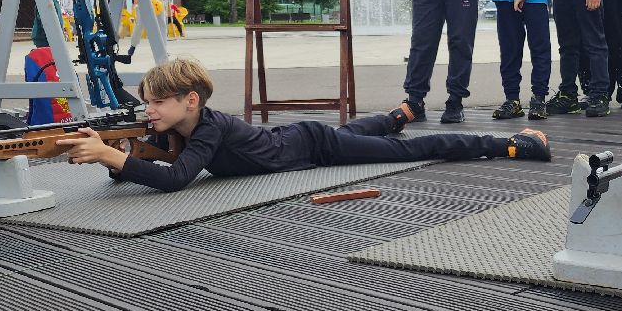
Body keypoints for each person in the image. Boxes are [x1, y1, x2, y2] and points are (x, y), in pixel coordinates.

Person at [56, 56, 551, 192]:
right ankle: (396, 114)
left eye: (158, 104)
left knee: (408, 151)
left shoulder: (207, 126)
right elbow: (141, 167)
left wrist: (112, 155)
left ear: (191, 100)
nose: (151, 113)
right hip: (297, 137)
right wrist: (114, 158)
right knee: (362, 131)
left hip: (311, 147)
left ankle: (512, 143)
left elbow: (177, 178)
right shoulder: (169, 127)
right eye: (147, 104)